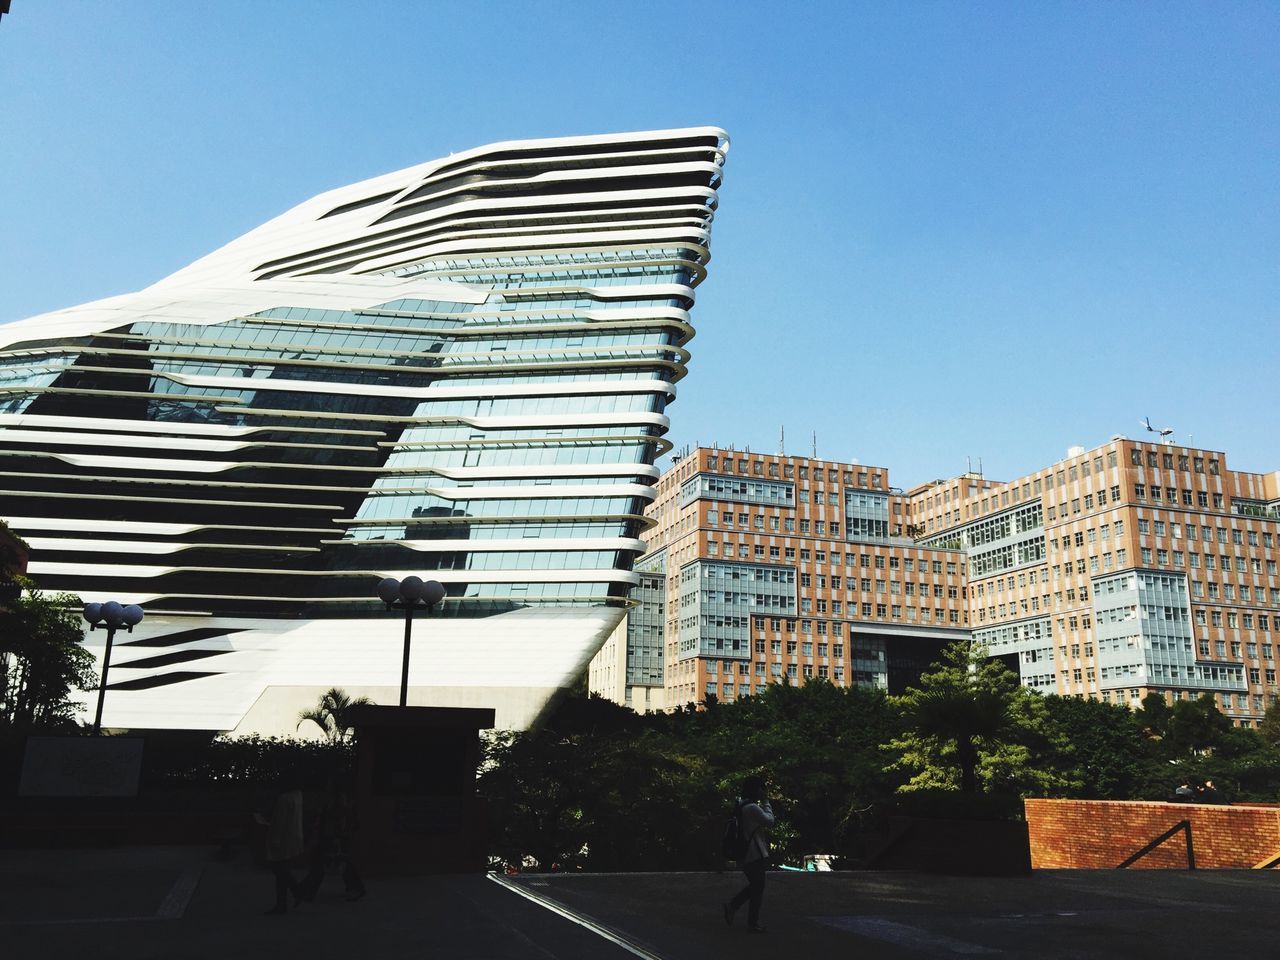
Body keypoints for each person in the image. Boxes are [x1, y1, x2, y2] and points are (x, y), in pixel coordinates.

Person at [722, 775, 775, 933]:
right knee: (758, 886)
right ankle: (740, 912)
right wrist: (766, 802)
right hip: (753, 853)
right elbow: (770, 821)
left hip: (744, 852)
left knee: (757, 886)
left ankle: (741, 913)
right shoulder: (752, 807)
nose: (763, 791)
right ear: (756, 789)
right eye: (761, 788)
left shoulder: (740, 804)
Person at [258, 783, 306, 915]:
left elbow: (279, 822)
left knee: (280, 871)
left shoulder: (284, 798)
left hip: (283, 840)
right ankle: (285, 901)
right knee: (282, 871)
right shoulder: (298, 795)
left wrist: (274, 841)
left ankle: (295, 894)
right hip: (294, 837)